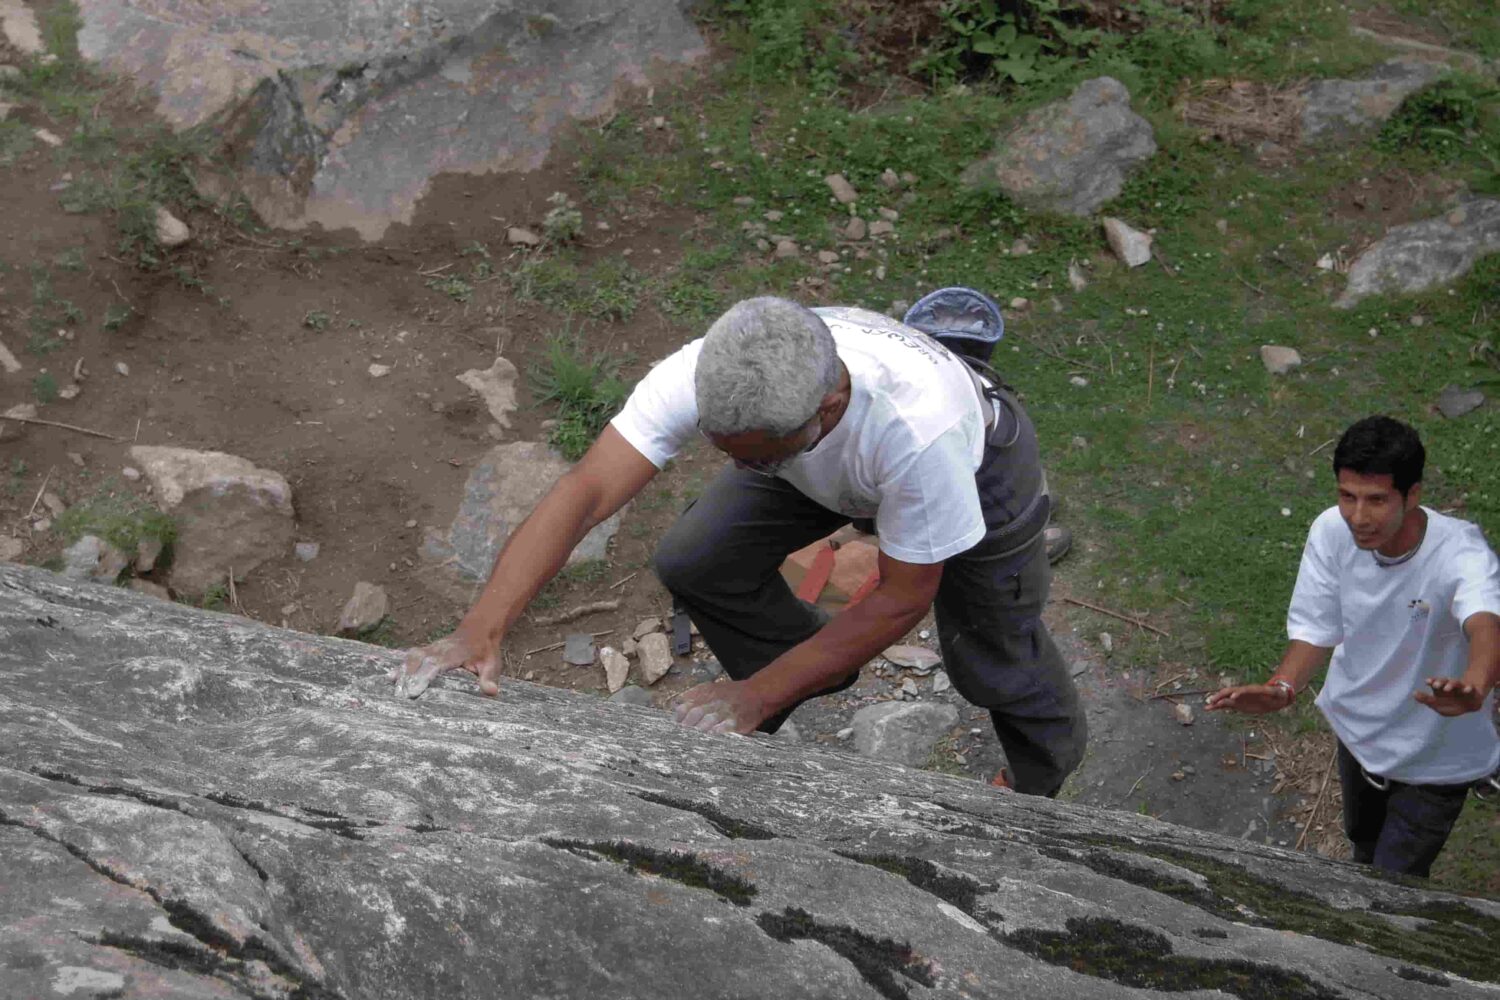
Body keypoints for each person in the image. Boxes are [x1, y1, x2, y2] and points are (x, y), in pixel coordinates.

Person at [395, 297, 1087, 797]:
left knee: (992, 652)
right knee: (696, 558)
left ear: (822, 413)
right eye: (722, 449)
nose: (731, 463)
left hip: (976, 474)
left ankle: (1039, 778)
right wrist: (479, 627)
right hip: (833, 465)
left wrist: (754, 696)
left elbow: (906, 596)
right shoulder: (716, 371)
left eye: (749, 456)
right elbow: (587, 490)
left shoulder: (918, 437)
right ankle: (813, 667)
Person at [1207, 416, 1500, 877]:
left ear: (1413, 495)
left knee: (1391, 881)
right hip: (1359, 737)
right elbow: (1316, 625)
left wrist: (1476, 685)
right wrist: (1282, 688)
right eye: (1348, 497)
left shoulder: (1461, 552)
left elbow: (1485, 623)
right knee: (1362, 849)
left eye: (1377, 500)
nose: (1359, 518)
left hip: (1435, 758)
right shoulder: (1331, 531)